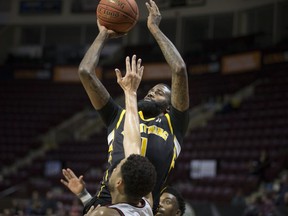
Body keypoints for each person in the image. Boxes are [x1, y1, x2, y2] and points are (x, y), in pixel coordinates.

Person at [77, 0, 189, 213]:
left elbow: (180, 69)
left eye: (158, 93)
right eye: (149, 90)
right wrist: (104, 33)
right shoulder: (117, 116)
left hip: (141, 208)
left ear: (168, 106)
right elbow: (85, 72)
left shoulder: (174, 124)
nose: (150, 93)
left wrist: (154, 29)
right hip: (105, 201)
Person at [62, 55, 156, 215]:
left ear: (119, 183)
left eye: (117, 167)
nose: (113, 167)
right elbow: (132, 145)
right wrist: (130, 93)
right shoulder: (145, 205)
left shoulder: (105, 213)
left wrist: (130, 92)